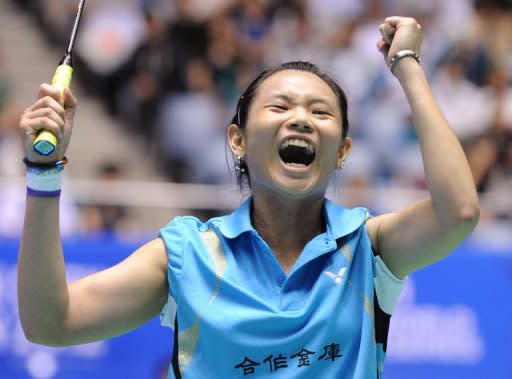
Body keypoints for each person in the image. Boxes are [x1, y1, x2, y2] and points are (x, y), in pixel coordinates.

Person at [17, 17, 479, 378]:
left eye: (320, 112)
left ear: (342, 152)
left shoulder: (368, 248)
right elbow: (50, 322)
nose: (300, 119)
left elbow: (458, 211)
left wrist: (408, 66)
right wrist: (43, 173)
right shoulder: (187, 255)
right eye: (279, 107)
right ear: (237, 140)